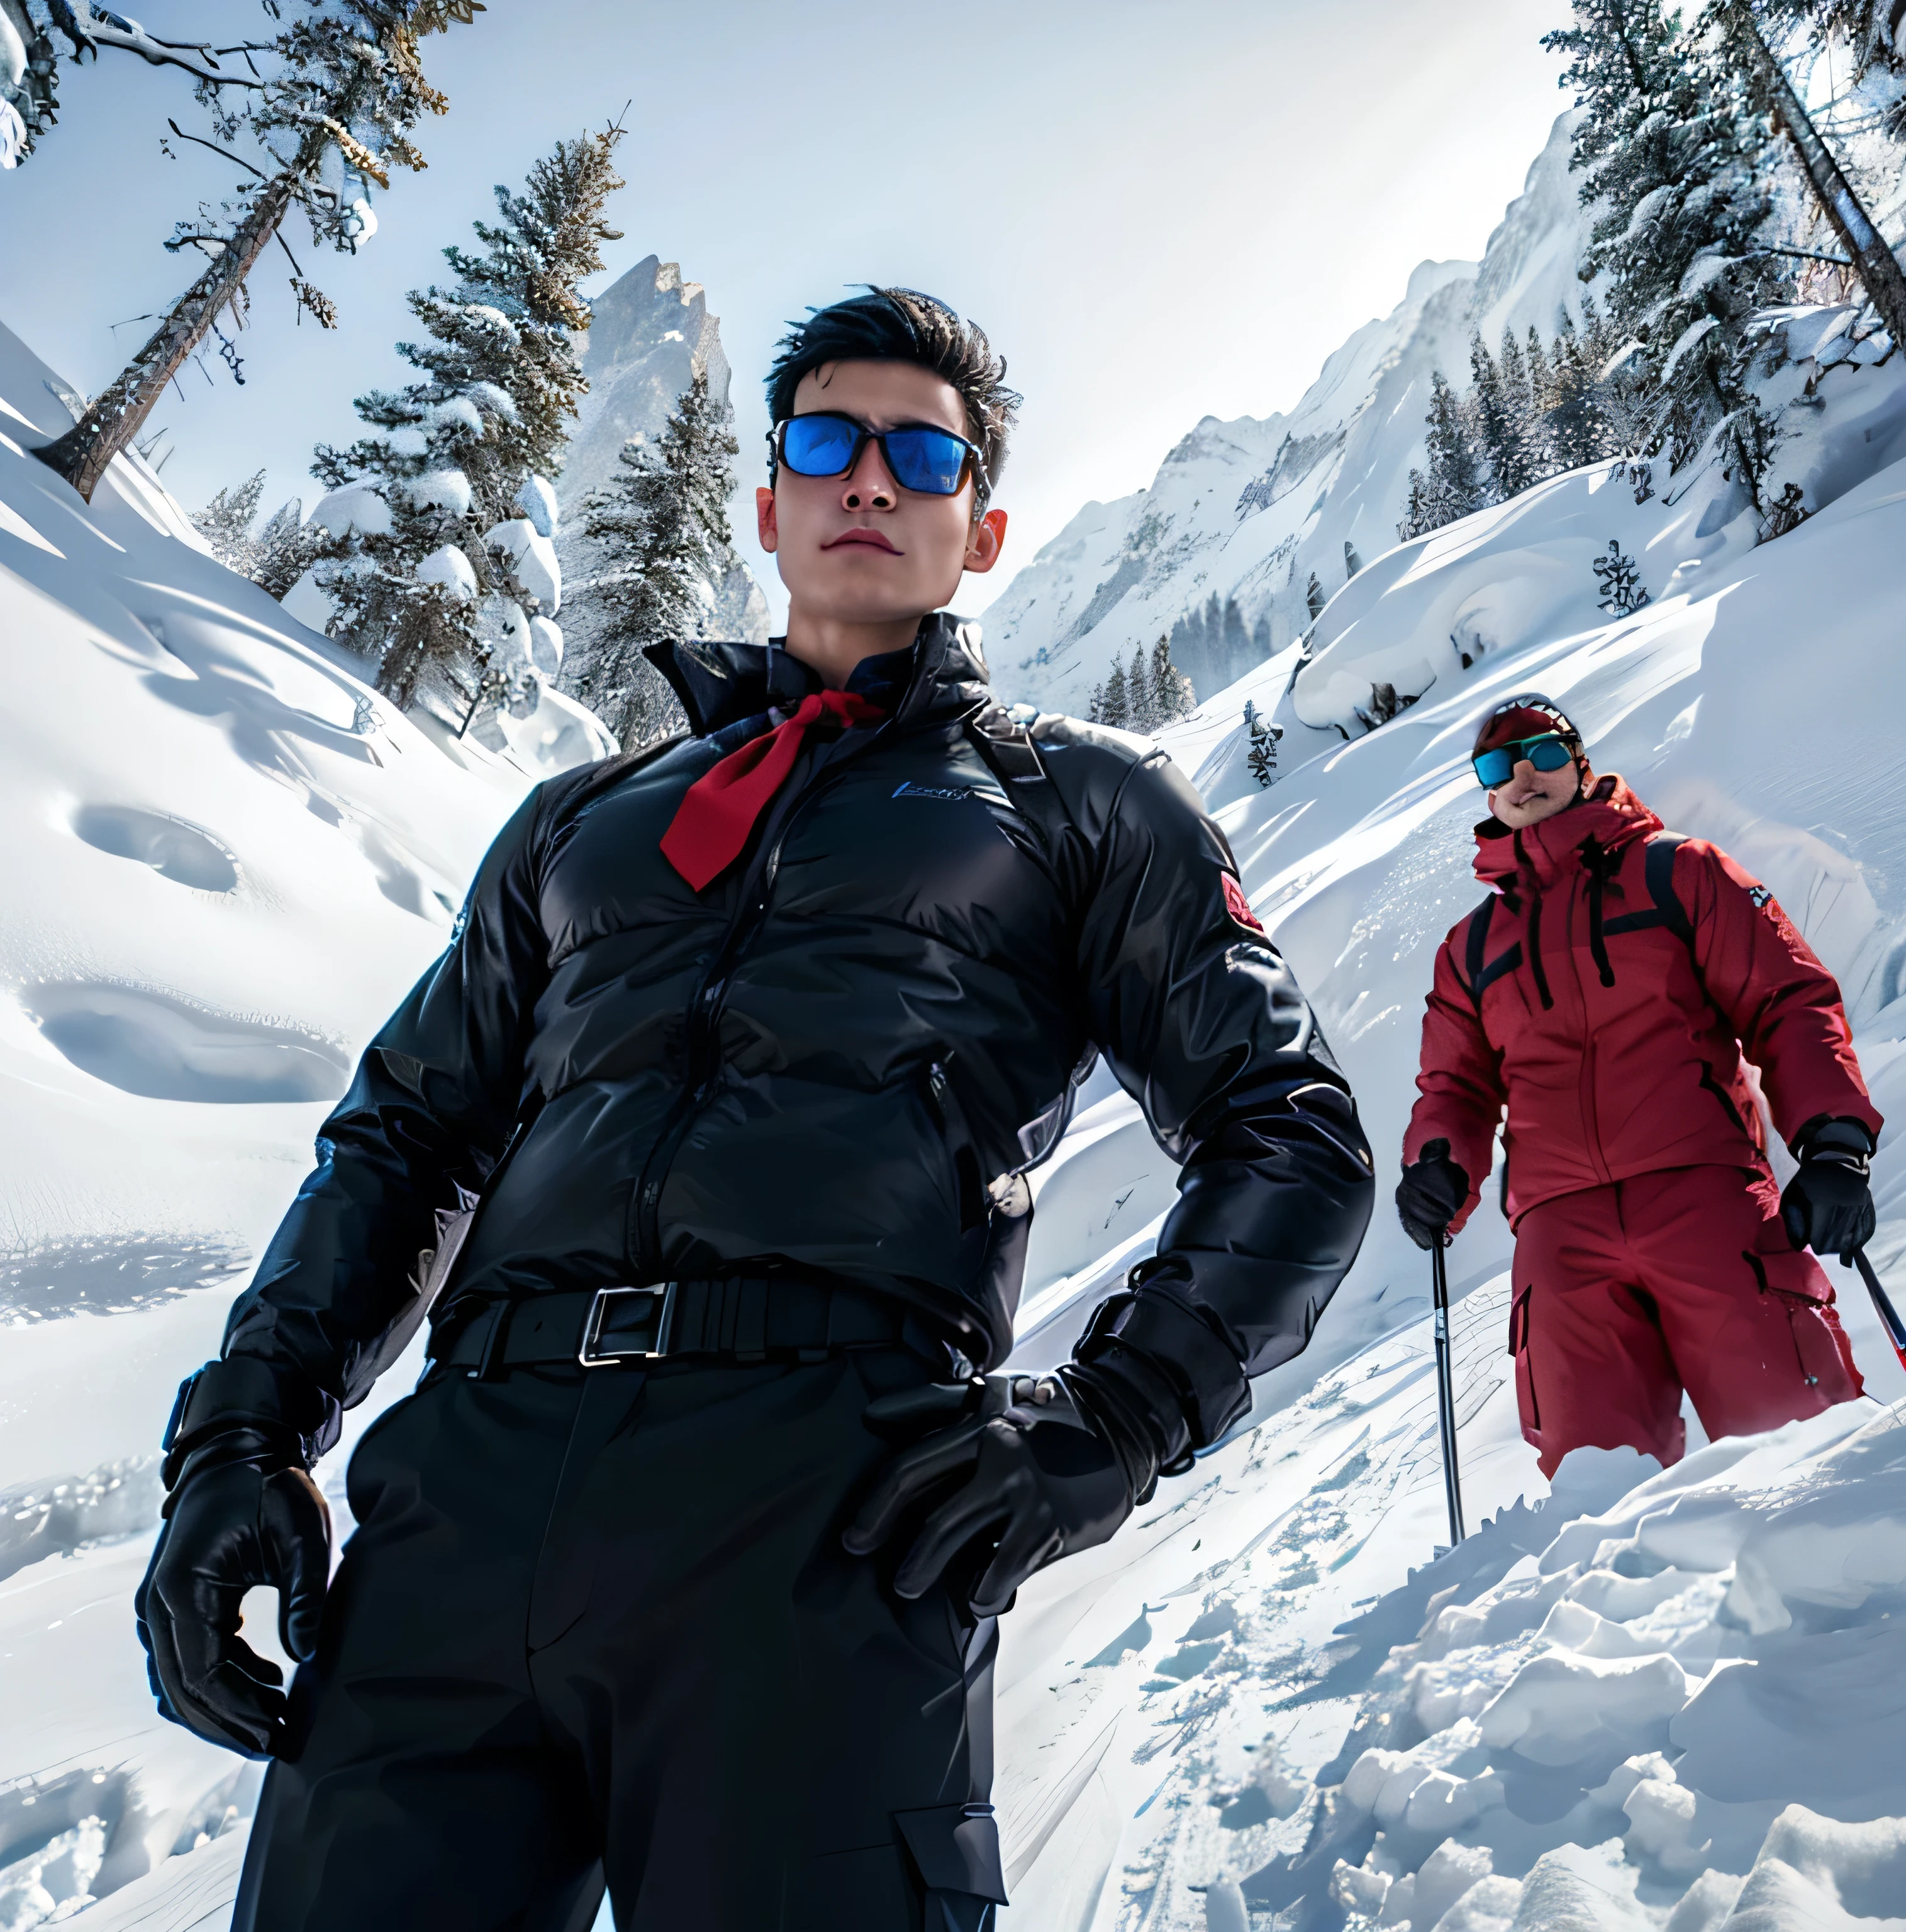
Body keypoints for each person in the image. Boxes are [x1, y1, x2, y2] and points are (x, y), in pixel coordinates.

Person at [134, 287, 1376, 1932]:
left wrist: (1109, 1424)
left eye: (921, 450)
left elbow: (1290, 1131)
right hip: (460, 1515)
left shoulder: (1081, 806)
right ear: (771, 502)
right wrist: (241, 1439)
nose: (871, 477)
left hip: (823, 1523)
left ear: (977, 525)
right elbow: (403, 1140)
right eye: (828, 439)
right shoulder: (576, 824)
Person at [1395, 692, 1881, 1479]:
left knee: (1802, 1457)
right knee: (1598, 1501)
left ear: (1582, 766)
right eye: (1498, 765)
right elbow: (1452, 1086)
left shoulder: (1680, 873)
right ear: (1485, 795)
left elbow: (1787, 1000)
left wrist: (1834, 1142)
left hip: (1707, 1200)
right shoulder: (1472, 948)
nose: (1523, 775)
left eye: (1544, 753)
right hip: (1561, 1244)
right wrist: (1438, 1164)